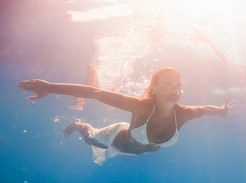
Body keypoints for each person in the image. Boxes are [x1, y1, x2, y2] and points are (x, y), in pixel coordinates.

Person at [18, 67, 235, 165]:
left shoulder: (184, 114)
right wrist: (51, 87)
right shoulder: (141, 107)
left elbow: (206, 109)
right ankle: (78, 124)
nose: (174, 89)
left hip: (135, 150)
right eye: (167, 83)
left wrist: (221, 111)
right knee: (90, 138)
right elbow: (96, 93)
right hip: (114, 139)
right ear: (155, 89)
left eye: (178, 84)